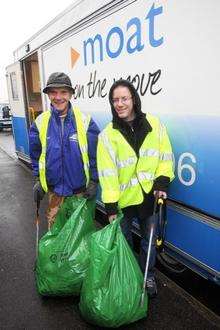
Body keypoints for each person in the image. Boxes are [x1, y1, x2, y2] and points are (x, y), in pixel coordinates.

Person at [97, 79, 174, 297]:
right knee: (124, 242)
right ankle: (129, 278)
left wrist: (161, 182)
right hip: (122, 201)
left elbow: (165, 157)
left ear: (134, 99)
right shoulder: (107, 135)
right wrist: (110, 207)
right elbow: (107, 173)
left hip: (149, 197)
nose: (119, 104)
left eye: (124, 98)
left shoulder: (154, 125)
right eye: (115, 100)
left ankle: (147, 277)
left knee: (149, 242)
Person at [29, 72, 100, 229]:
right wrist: (38, 180)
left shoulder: (85, 121)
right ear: (48, 95)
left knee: (80, 240)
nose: (58, 97)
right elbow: (36, 157)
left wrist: (94, 180)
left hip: (81, 194)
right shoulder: (39, 123)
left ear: (70, 94)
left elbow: (96, 156)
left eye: (63, 92)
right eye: (53, 92)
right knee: (56, 240)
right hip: (55, 193)